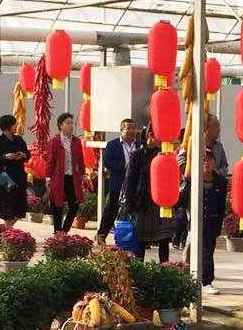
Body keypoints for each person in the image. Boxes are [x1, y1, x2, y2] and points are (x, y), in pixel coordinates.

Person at [178, 114, 229, 293]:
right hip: (194, 193)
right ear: (206, 127)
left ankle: (200, 276)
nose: (219, 130)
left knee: (206, 241)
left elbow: (224, 166)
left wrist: (214, 174)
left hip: (213, 191)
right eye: (216, 126)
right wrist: (196, 172)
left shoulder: (218, 146)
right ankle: (192, 274)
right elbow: (181, 163)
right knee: (195, 236)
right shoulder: (192, 141)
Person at [123, 128, 174, 261]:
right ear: (150, 135)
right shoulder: (137, 155)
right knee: (140, 241)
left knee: (164, 239)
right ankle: (139, 268)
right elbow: (130, 182)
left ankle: (165, 268)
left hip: (161, 203)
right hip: (143, 203)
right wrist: (130, 205)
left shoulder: (163, 154)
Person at [97, 118, 138, 245]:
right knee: (112, 209)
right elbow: (108, 163)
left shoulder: (139, 144)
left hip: (135, 183)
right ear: (121, 130)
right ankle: (101, 235)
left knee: (135, 210)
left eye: (133, 128)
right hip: (118, 181)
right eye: (128, 128)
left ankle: (136, 239)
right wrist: (123, 166)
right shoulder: (112, 145)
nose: (131, 131)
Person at [46, 112, 86, 233]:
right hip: (58, 177)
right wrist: (48, 178)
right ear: (60, 125)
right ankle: (58, 232)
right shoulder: (55, 141)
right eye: (68, 123)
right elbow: (50, 160)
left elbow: (80, 160)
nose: (71, 126)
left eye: (72, 123)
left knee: (75, 204)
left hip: (72, 177)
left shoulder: (76, 141)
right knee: (57, 205)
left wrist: (83, 175)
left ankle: (65, 230)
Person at [0, 114, 30, 226]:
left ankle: (5, 229)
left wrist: (23, 155)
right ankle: (7, 230)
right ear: (7, 127)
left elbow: (28, 154)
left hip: (19, 175)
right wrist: (5, 157)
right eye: (14, 124)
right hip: (4, 176)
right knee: (8, 206)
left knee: (20, 208)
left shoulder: (19, 140)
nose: (16, 126)